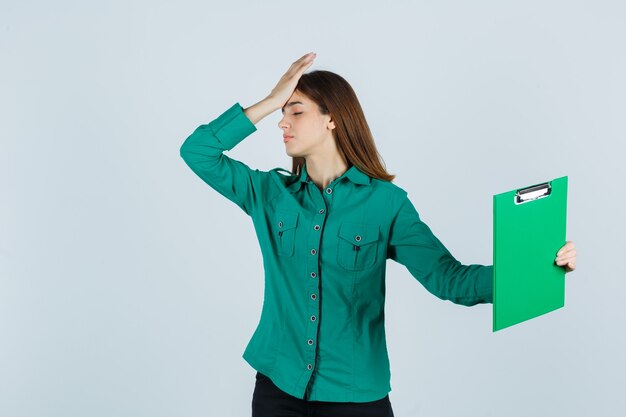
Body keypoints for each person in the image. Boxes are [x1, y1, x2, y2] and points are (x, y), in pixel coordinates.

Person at [179, 52, 577, 417]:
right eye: (282, 113)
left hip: (355, 398)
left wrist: (539, 267)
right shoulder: (269, 194)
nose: (282, 122)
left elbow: (448, 279)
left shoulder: (387, 204)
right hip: (277, 389)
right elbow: (197, 151)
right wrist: (270, 100)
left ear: (332, 118)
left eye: (295, 111)